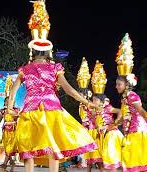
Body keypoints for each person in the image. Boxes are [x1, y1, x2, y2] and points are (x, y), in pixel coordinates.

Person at [8, 38, 98, 172]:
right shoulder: (54, 68)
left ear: (32, 51)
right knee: (53, 146)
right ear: (48, 52)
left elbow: (13, 91)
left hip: (30, 110)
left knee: (28, 148)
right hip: (52, 110)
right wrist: (87, 103)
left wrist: (10, 108)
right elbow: (69, 90)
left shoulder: (25, 69)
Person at [113, 33, 147, 171]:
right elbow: (123, 115)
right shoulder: (125, 98)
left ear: (126, 85)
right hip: (131, 130)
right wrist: (114, 125)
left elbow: (141, 111)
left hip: (138, 130)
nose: (116, 87)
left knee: (132, 160)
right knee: (132, 160)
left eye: (119, 84)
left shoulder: (132, 96)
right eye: (116, 84)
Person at [0, 97, 19, 172]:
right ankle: (12, 163)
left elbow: (18, 119)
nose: (9, 103)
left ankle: (3, 167)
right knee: (7, 148)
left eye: (10, 101)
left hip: (13, 132)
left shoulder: (16, 111)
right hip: (5, 132)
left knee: (10, 148)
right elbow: (0, 119)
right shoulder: (3, 111)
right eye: (7, 101)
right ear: (4, 103)